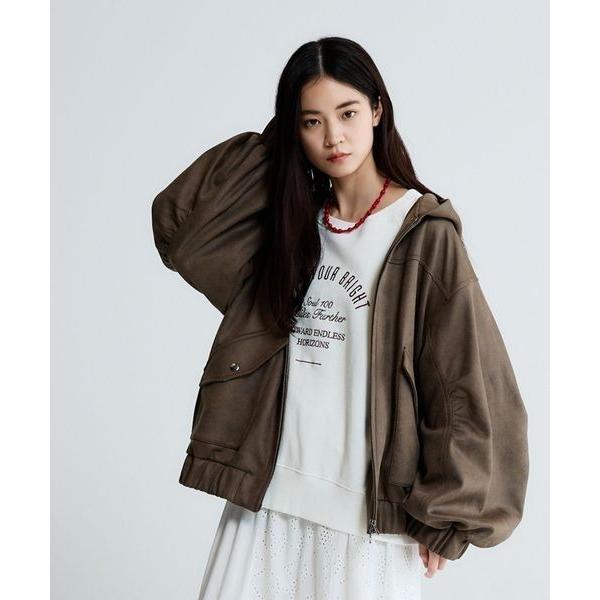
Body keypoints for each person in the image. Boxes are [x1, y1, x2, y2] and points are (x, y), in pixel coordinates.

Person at [151, 36, 529, 599]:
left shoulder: (424, 235)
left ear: (377, 110)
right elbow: (183, 234)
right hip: (265, 498)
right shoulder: (288, 228)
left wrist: (449, 517)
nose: (333, 137)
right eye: (312, 121)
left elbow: (467, 382)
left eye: (348, 113)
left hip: (366, 520)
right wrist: (278, 142)